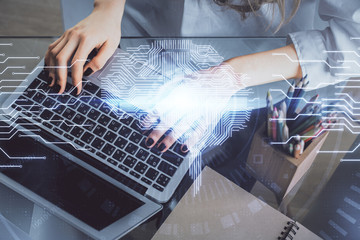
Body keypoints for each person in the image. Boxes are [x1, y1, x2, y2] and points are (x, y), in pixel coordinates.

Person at [45, 0, 360, 153]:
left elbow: (351, 42)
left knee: (166, 161)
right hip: (134, 21)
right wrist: (107, 11)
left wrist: (229, 78)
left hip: (251, 57)